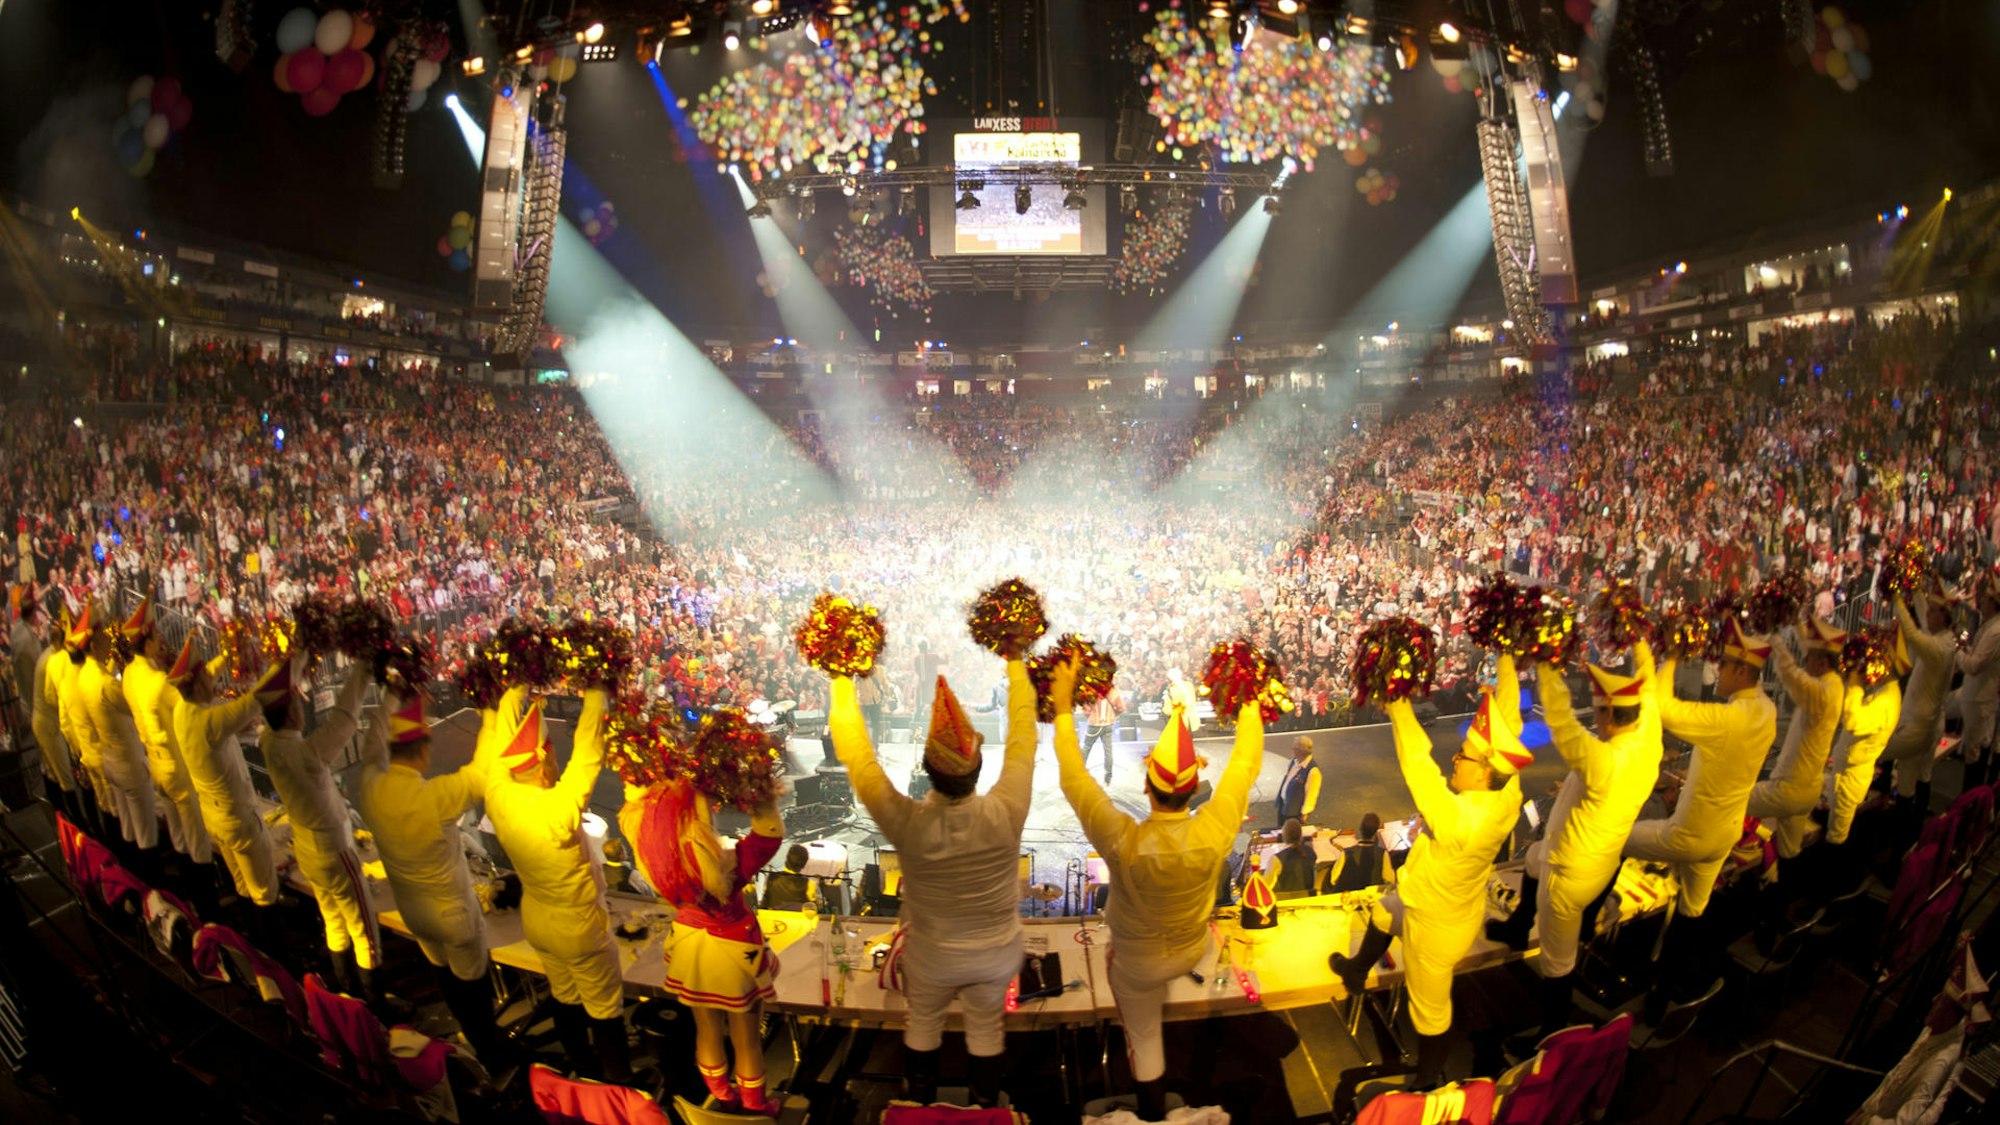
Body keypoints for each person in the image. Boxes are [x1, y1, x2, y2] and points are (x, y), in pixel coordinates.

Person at [1054, 671, 1262, 1121]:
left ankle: (1152, 1114)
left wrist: (1060, 704)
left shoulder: (1124, 841)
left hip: (1138, 963)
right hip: (1192, 948)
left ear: (1147, 785)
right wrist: (1249, 698)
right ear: (1193, 790)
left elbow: (1073, 778)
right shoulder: (1216, 825)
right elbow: (1246, 764)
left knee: (1144, 1036)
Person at [827, 657, 1035, 1108]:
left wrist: (841, 677)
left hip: (932, 957)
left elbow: (856, 755)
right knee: (985, 1031)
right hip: (997, 956)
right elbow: (1024, 740)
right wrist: (1016, 661)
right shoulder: (1007, 809)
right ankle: (983, 1112)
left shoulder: (907, 821)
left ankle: (919, 1108)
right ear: (979, 766)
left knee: (922, 1025)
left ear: (927, 768)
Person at [1331, 674, 1528, 1088]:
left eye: (1462, 757)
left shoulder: (1460, 819)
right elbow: (1510, 721)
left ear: (1482, 774)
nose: (1454, 759)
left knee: (1431, 1013)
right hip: (1444, 907)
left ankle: (1426, 1085)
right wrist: (1505, 672)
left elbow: (1417, 763)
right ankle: (1356, 971)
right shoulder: (1507, 795)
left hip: (1434, 927)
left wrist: (1397, 700)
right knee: (1384, 914)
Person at [1488, 648, 1661, 1044]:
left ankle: (1551, 1036)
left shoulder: (1604, 758)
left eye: (1597, 713)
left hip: (1570, 873)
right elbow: (1648, 689)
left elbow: (1563, 726)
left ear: (1605, 715)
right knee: (1531, 859)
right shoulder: (1648, 742)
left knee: (1557, 962)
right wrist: (1638, 644)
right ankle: (1517, 927)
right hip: (1597, 858)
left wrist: (1547, 665)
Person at [481, 688, 632, 1083]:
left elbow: (500, 746)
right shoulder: (557, 808)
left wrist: (513, 691)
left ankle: (581, 1073)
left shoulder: (497, 796)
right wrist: (597, 693)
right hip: (579, 926)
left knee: (565, 998)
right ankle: (616, 1090)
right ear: (545, 764)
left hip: (539, 921)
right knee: (604, 1011)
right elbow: (588, 753)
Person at [356, 685, 513, 1063]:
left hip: (414, 911)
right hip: (453, 914)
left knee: (445, 977)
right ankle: (491, 1054)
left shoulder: (369, 786)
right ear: (424, 751)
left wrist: (392, 696)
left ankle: (473, 1043)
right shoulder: (435, 796)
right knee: (473, 988)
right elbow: (481, 770)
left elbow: (372, 747)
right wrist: (491, 712)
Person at [1627, 620, 1775, 1013]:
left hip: (1690, 834)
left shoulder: (1729, 720)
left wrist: (1667, 655)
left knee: (1617, 838)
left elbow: (1664, 708)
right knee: (1691, 913)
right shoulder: (1768, 710)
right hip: (1723, 835)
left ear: (1742, 672)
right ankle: (1663, 994)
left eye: (1724, 666)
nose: (1717, 672)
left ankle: (1592, 936)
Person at [621, 777, 785, 1115]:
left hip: (690, 946)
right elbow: (767, 838)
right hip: (732, 952)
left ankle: (722, 1096)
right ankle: (755, 1104)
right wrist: (763, 799)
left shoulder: (658, 864)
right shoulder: (723, 866)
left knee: (707, 1030)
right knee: (746, 1038)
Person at [259, 655, 375, 999]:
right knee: (363, 931)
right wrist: (363, 670)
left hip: (307, 849)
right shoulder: (304, 754)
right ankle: (375, 1006)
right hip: (333, 851)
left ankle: (345, 994)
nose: (302, 704)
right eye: (297, 700)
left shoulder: (268, 742)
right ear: (291, 712)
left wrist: (300, 654)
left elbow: (272, 694)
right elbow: (344, 719)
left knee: (334, 924)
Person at [170, 637, 276, 912]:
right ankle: (269, 949)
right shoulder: (209, 722)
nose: (212, 678)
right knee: (264, 894)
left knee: (242, 886)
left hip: (215, 818)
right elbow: (252, 703)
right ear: (196, 685)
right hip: (238, 821)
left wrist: (228, 653)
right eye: (206, 675)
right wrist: (285, 666)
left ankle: (247, 942)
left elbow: (208, 674)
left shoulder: (182, 710)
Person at [1746, 618, 1845, 860]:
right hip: (1808, 788)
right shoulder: (1834, 684)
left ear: (1822, 663)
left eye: (1810, 657)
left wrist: (1774, 637)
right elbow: (1809, 651)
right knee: (1790, 852)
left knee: (1730, 803)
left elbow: (1790, 674)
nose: (1804, 659)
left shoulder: (1821, 693)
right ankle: (1782, 892)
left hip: (1789, 787)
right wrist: (1797, 620)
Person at [119, 596, 204, 861]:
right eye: (156, 635)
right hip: (175, 768)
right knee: (197, 843)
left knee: (178, 838)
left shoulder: (130, 675)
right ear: (149, 641)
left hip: (155, 765)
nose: (161, 638)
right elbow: (191, 706)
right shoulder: (158, 682)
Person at [79, 604, 157, 856]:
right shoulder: (105, 685)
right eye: (104, 640)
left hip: (111, 762)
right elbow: (132, 704)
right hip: (129, 765)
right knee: (146, 837)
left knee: (128, 832)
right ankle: (153, 887)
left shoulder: (85, 676)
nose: (108, 644)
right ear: (93, 646)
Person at [1880, 587, 1957, 808]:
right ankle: (1910, 836)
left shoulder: (1938, 648)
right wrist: (1913, 588)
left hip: (1916, 727)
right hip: (1922, 724)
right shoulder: (1943, 640)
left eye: (1933, 611)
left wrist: (1897, 596)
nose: (1927, 614)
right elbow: (1924, 619)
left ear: (1943, 616)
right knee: (1908, 785)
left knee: (1873, 752)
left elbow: (1913, 635)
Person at [1825, 644, 1901, 848]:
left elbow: (1852, 720)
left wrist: (1855, 684)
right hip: (1850, 771)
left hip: (1851, 776)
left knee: (1837, 837)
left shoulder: (1885, 701)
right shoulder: (1885, 692)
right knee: (1838, 829)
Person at [30, 610, 78, 824]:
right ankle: (75, 821)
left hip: (43, 720)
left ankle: (61, 818)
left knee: (52, 771)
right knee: (64, 776)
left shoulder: (48, 656)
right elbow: (54, 697)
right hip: (49, 724)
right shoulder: (54, 660)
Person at [1953, 575, 2000, 787]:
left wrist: (1958, 652)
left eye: (1985, 598)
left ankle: (1970, 805)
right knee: (1973, 754)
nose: (1980, 601)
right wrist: (1965, 649)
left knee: (1975, 756)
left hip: (1981, 700)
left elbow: (1974, 665)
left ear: (1993, 603)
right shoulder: (1988, 626)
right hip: (1975, 696)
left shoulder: (1996, 631)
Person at [1326, 812, 1396, 893]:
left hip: (1350, 900)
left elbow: (1333, 880)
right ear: (1376, 832)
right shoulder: (1382, 854)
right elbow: (1390, 880)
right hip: (1371, 899)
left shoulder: (1346, 853)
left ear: (1360, 830)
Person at [1273, 735, 1323, 828]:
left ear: (1301, 751)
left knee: (1290, 836)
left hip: (1294, 813)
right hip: (1284, 806)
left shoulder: (1312, 771)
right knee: (1280, 831)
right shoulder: (1294, 762)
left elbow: (1311, 795)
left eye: (1294, 748)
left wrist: (1305, 814)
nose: (1292, 750)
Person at [1082, 686, 1125, 783]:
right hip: (1108, 724)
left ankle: (1080, 772)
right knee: (1108, 750)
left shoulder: (1091, 689)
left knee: (1086, 748)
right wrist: (1113, 715)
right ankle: (1108, 775)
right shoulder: (1114, 690)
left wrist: (1090, 716)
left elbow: (1086, 710)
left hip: (1094, 724)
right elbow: (1121, 708)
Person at [760, 845, 816, 912]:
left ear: (787, 859)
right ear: (804, 864)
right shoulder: (809, 884)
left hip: (773, 921)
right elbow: (814, 909)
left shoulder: (771, 878)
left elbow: (763, 904)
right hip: (797, 921)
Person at [1269, 818, 1317, 895]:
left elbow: (1267, 884)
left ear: (1284, 836)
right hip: (1308, 897)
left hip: (1286, 900)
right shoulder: (1310, 851)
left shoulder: (1277, 859)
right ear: (1300, 835)